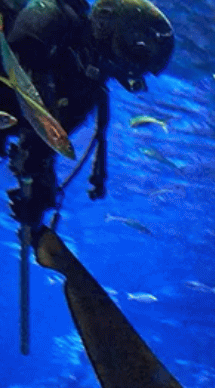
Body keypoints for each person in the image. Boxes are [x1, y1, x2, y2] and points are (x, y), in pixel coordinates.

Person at [1, 0, 173, 241]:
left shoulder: (87, 88)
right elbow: (32, 95)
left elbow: (44, 139)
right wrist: (36, 170)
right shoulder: (48, 20)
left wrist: (37, 186)